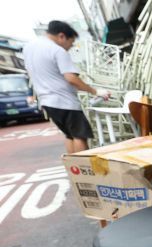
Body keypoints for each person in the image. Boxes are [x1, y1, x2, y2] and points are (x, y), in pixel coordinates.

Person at [23, 20, 110, 154]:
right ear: (62, 36)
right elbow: (71, 78)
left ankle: (73, 166)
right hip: (65, 102)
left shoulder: (29, 47)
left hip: (46, 101)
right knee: (80, 136)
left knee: (70, 135)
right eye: (71, 42)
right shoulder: (57, 50)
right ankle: (82, 166)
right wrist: (96, 91)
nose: (70, 47)